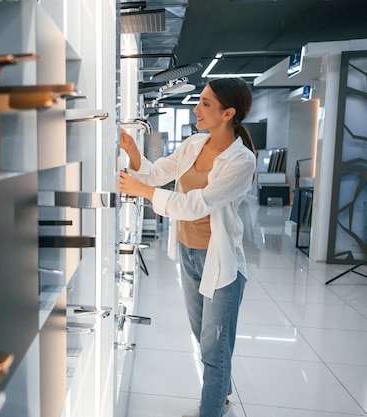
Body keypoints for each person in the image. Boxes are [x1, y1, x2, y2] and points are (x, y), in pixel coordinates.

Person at [119, 77, 257, 417]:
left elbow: (197, 204)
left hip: (219, 262)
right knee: (204, 337)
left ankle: (211, 410)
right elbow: (155, 173)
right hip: (188, 253)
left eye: (206, 103)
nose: (197, 108)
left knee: (214, 348)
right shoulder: (195, 143)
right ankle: (220, 397)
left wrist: (143, 191)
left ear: (228, 113)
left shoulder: (242, 161)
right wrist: (133, 151)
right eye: (200, 100)